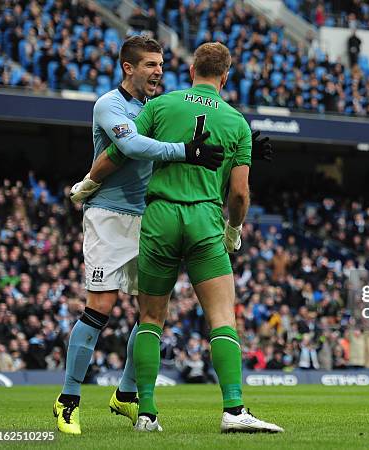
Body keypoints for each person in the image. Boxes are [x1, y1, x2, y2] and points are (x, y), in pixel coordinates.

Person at [102, 41, 281, 433]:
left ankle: (146, 414)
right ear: (226, 75)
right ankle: (233, 410)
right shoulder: (236, 122)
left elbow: (121, 152)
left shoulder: (162, 105)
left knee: (150, 318)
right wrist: (233, 230)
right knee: (221, 318)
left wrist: (89, 182)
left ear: (192, 70)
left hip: (160, 216)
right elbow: (239, 193)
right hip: (204, 217)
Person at [54, 35, 224, 436]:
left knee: (151, 313)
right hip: (109, 216)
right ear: (128, 67)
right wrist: (182, 150)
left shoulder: (156, 108)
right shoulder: (108, 105)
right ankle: (68, 400)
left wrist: (242, 147)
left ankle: (126, 395)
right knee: (100, 308)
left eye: (161, 65)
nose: (159, 71)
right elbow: (130, 145)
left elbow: (202, 135)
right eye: (150, 64)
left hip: (149, 217)